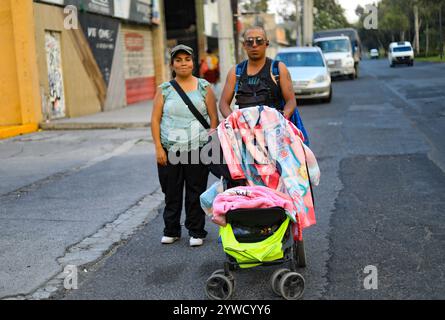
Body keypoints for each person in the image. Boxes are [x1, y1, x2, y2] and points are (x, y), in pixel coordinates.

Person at [151, 44, 219, 247]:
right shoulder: (165, 90)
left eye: (187, 59)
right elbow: (155, 120)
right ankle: (171, 230)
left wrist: (209, 143)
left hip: (197, 148)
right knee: (171, 191)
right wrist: (158, 148)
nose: (183, 63)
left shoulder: (204, 87)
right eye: (178, 60)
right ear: (172, 64)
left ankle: (196, 231)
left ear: (193, 62)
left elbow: (213, 119)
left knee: (195, 191)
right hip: (170, 148)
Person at [219, 26, 296, 120]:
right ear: (244, 45)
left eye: (259, 41)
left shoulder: (278, 69)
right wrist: (234, 121)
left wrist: (282, 118)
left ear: (266, 44)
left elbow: (291, 101)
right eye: (249, 41)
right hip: (245, 131)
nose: (254, 45)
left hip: (274, 130)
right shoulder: (235, 72)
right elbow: (223, 103)